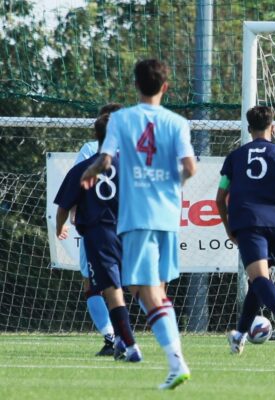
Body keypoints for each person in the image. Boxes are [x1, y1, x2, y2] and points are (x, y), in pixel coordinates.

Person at [80, 59, 197, 390]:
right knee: (148, 289)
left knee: (146, 292)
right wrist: (171, 184)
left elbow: (104, 160)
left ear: (135, 85)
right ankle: (175, 360)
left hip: (138, 216)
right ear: (165, 87)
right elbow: (190, 167)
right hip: (169, 216)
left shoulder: (120, 119)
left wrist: (91, 173)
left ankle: (176, 362)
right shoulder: (177, 122)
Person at [216, 105, 275, 355]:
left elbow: (220, 196)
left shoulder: (235, 157)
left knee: (259, 279)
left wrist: (228, 227)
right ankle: (239, 335)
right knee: (258, 280)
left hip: (249, 222)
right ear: (273, 127)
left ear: (249, 129)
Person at [54, 113, 142, 363]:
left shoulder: (86, 162)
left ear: (97, 134)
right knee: (139, 287)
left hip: (100, 233)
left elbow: (64, 205)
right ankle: (162, 337)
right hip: (131, 231)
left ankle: (124, 342)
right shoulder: (133, 164)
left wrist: (59, 226)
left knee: (109, 289)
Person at [73, 103, 123, 357]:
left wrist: (71, 215)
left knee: (92, 285)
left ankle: (112, 337)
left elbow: (78, 184)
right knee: (133, 286)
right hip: (125, 228)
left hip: (95, 228)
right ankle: (125, 337)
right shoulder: (133, 152)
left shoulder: (90, 150)